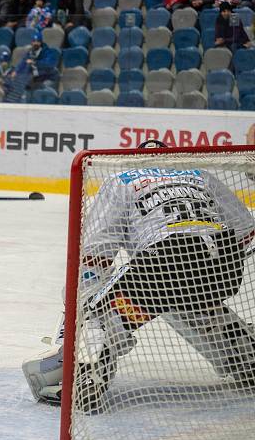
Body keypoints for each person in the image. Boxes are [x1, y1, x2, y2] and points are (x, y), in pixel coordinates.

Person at [23, 143, 255, 411]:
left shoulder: (121, 179)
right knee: (185, 297)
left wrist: (89, 293)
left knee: (90, 301)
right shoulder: (199, 174)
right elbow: (246, 229)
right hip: (223, 267)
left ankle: (88, 372)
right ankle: (245, 354)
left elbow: (95, 253)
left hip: (166, 259)